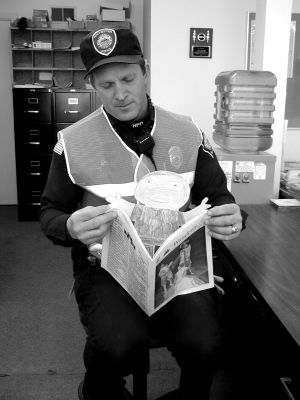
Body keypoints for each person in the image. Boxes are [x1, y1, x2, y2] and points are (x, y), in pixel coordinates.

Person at [39, 27, 245, 400]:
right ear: (93, 86)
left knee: (207, 343)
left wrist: (234, 217)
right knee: (119, 345)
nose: (120, 94)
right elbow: (49, 213)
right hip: (107, 268)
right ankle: (98, 389)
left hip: (177, 265)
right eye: (106, 85)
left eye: (128, 79)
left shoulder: (187, 132)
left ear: (145, 71)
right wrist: (68, 225)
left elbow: (220, 199)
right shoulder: (72, 142)